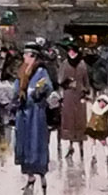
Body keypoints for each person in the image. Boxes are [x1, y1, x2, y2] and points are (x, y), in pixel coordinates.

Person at [13, 43, 53, 194]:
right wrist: (17, 96)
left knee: (36, 141)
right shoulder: (22, 70)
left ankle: (41, 172)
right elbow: (17, 86)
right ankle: (29, 175)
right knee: (23, 142)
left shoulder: (41, 71)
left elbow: (46, 87)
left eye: (26, 55)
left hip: (36, 112)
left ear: (33, 56)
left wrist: (37, 92)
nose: (24, 57)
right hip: (23, 112)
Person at [59, 43, 91, 159]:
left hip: (79, 96)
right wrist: (66, 83)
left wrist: (86, 91)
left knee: (80, 120)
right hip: (68, 96)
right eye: (70, 51)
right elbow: (60, 80)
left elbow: (86, 79)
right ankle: (71, 145)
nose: (71, 53)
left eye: (73, 51)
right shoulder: (64, 64)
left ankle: (81, 145)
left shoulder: (82, 64)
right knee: (69, 119)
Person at [85, 94, 108, 165]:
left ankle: (107, 157)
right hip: (92, 127)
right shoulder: (95, 105)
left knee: (103, 142)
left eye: (104, 103)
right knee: (93, 142)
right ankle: (93, 156)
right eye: (101, 102)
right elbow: (89, 100)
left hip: (101, 129)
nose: (102, 104)